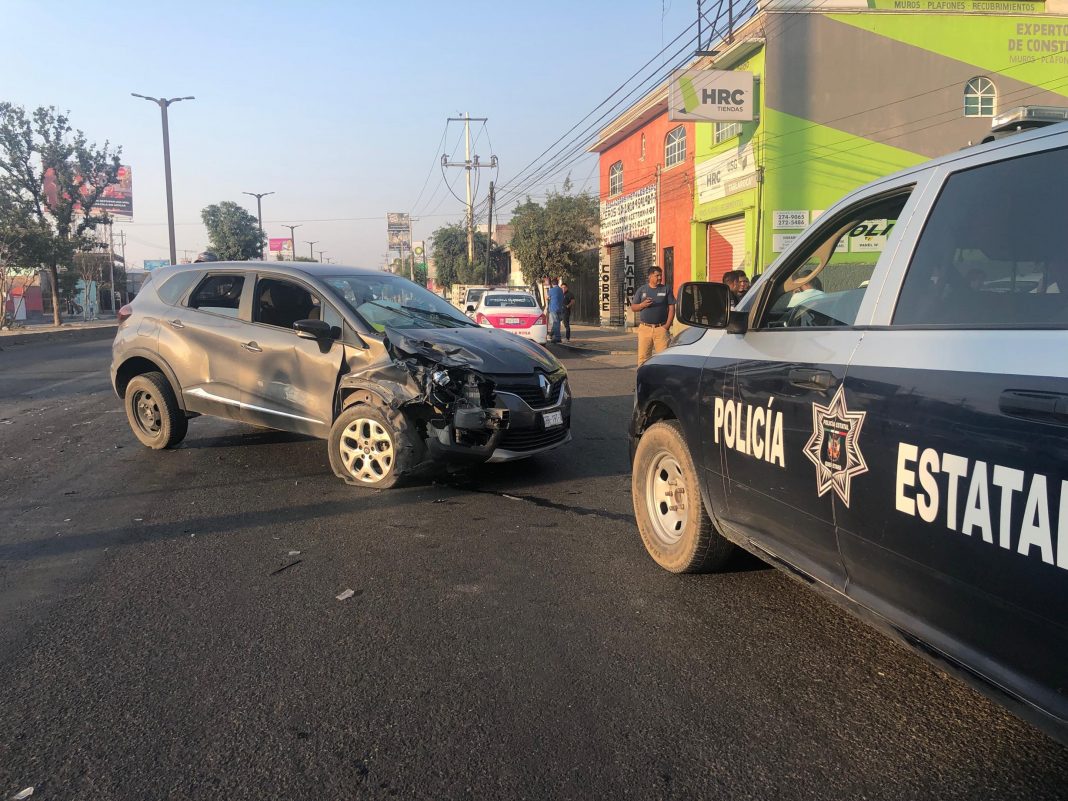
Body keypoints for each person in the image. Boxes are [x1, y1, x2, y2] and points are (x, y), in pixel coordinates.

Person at [630, 266, 675, 366]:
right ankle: (643, 380)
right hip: (645, 329)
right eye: (657, 275)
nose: (660, 278)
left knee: (664, 359)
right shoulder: (642, 290)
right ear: (650, 276)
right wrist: (642, 305)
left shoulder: (666, 289)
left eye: (661, 275)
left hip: (661, 329)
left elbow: (672, 308)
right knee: (643, 359)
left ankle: (663, 381)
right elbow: (633, 307)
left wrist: (667, 326)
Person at [547, 278, 565, 343]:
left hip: (553, 308)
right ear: (557, 283)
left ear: (552, 284)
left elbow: (547, 297)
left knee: (555, 323)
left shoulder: (551, 290)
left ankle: (558, 337)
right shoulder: (561, 290)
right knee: (556, 323)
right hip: (560, 308)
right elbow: (563, 298)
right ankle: (551, 334)